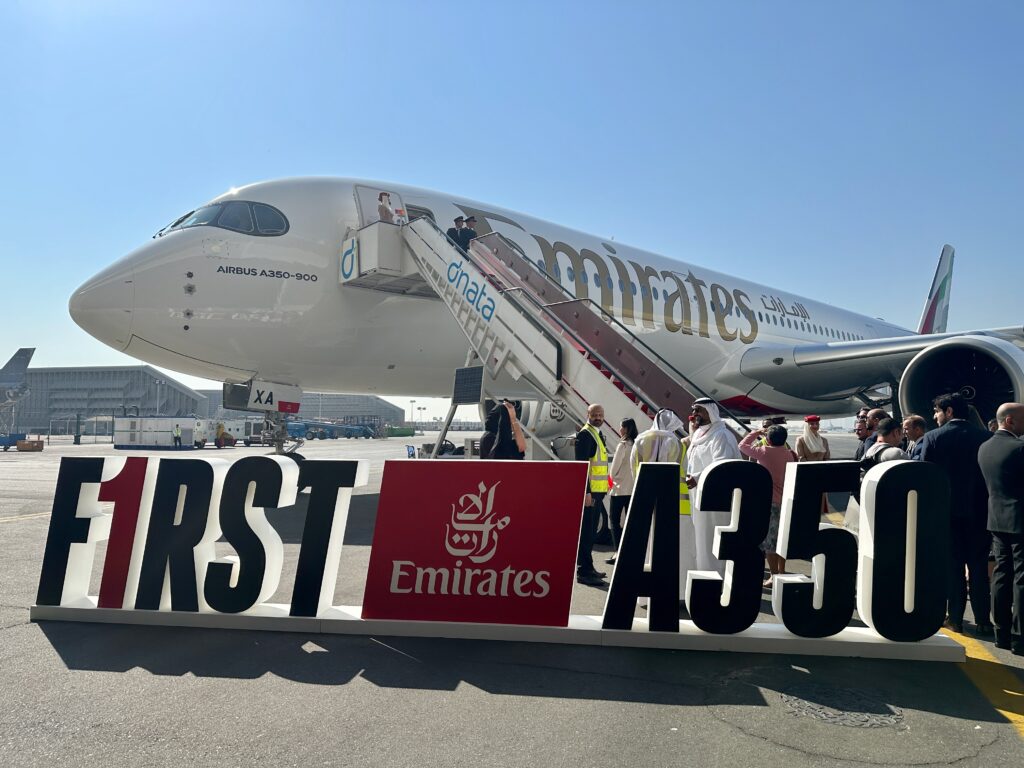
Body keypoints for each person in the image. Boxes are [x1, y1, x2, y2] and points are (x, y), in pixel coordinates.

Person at [914, 392, 993, 636]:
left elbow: (926, 476)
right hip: (980, 513)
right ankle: (983, 620)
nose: (934, 416)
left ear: (949, 412)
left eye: (937, 411)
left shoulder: (933, 438)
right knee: (979, 567)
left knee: (953, 566)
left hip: (946, 514)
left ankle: (956, 618)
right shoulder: (985, 437)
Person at [978, 402, 1024, 654]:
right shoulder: (1019, 448)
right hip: (1020, 521)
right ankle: (1020, 637)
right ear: (1010, 421)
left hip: (996, 520)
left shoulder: (985, 447)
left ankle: (1002, 633)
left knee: (1001, 575)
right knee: (1021, 578)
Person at [631, 409, 691, 593]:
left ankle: (644, 593)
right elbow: (684, 469)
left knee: (645, 542)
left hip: (645, 496)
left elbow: (634, 468)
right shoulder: (677, 443)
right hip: (674, 500)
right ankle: (672, 591)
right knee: (671, 546)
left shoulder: (640, 439)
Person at [685, 397, 742, 576]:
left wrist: (697, 477)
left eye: (698, 410)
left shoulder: (721, 436)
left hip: (716, 497)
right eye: (694, 410)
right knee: (700, 536)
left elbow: (722, 466)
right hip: (697, 495)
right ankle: (703, 576)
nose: (694, 414)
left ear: (710, 412)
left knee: (712, 537)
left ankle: (718, 577)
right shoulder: (698, 435)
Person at [739, 425, 797, 585]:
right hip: (787, 502)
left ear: (768, 440)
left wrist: (756, 432)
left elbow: (742, 445)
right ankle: (782, 571)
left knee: (770, 541)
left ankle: (773, 575)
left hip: (769, 502)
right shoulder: (791, 454)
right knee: (782, 539)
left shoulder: (763, 452)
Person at [575, 403, 609, 586]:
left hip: (598, 492)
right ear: (588, 414)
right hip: (591, 494)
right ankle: (584, 572)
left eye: (600, 415)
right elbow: (582, 465)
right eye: (594, 414)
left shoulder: (597, 433)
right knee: (586, 534)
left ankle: (589, 568)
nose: (598, 417)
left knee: (591, 534)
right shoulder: (585, 434)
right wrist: (586, 491)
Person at [605, 417, 638, 565]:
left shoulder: (623, 445)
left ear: (625, 429)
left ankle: (618, 553)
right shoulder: (637, 444)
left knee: (614, 521)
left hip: (619, 489)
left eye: (621, 427)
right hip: (632, 489)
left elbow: (614, 469)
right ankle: (630, 552)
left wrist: (609, 484)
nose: (619, 430)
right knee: (629, 522)